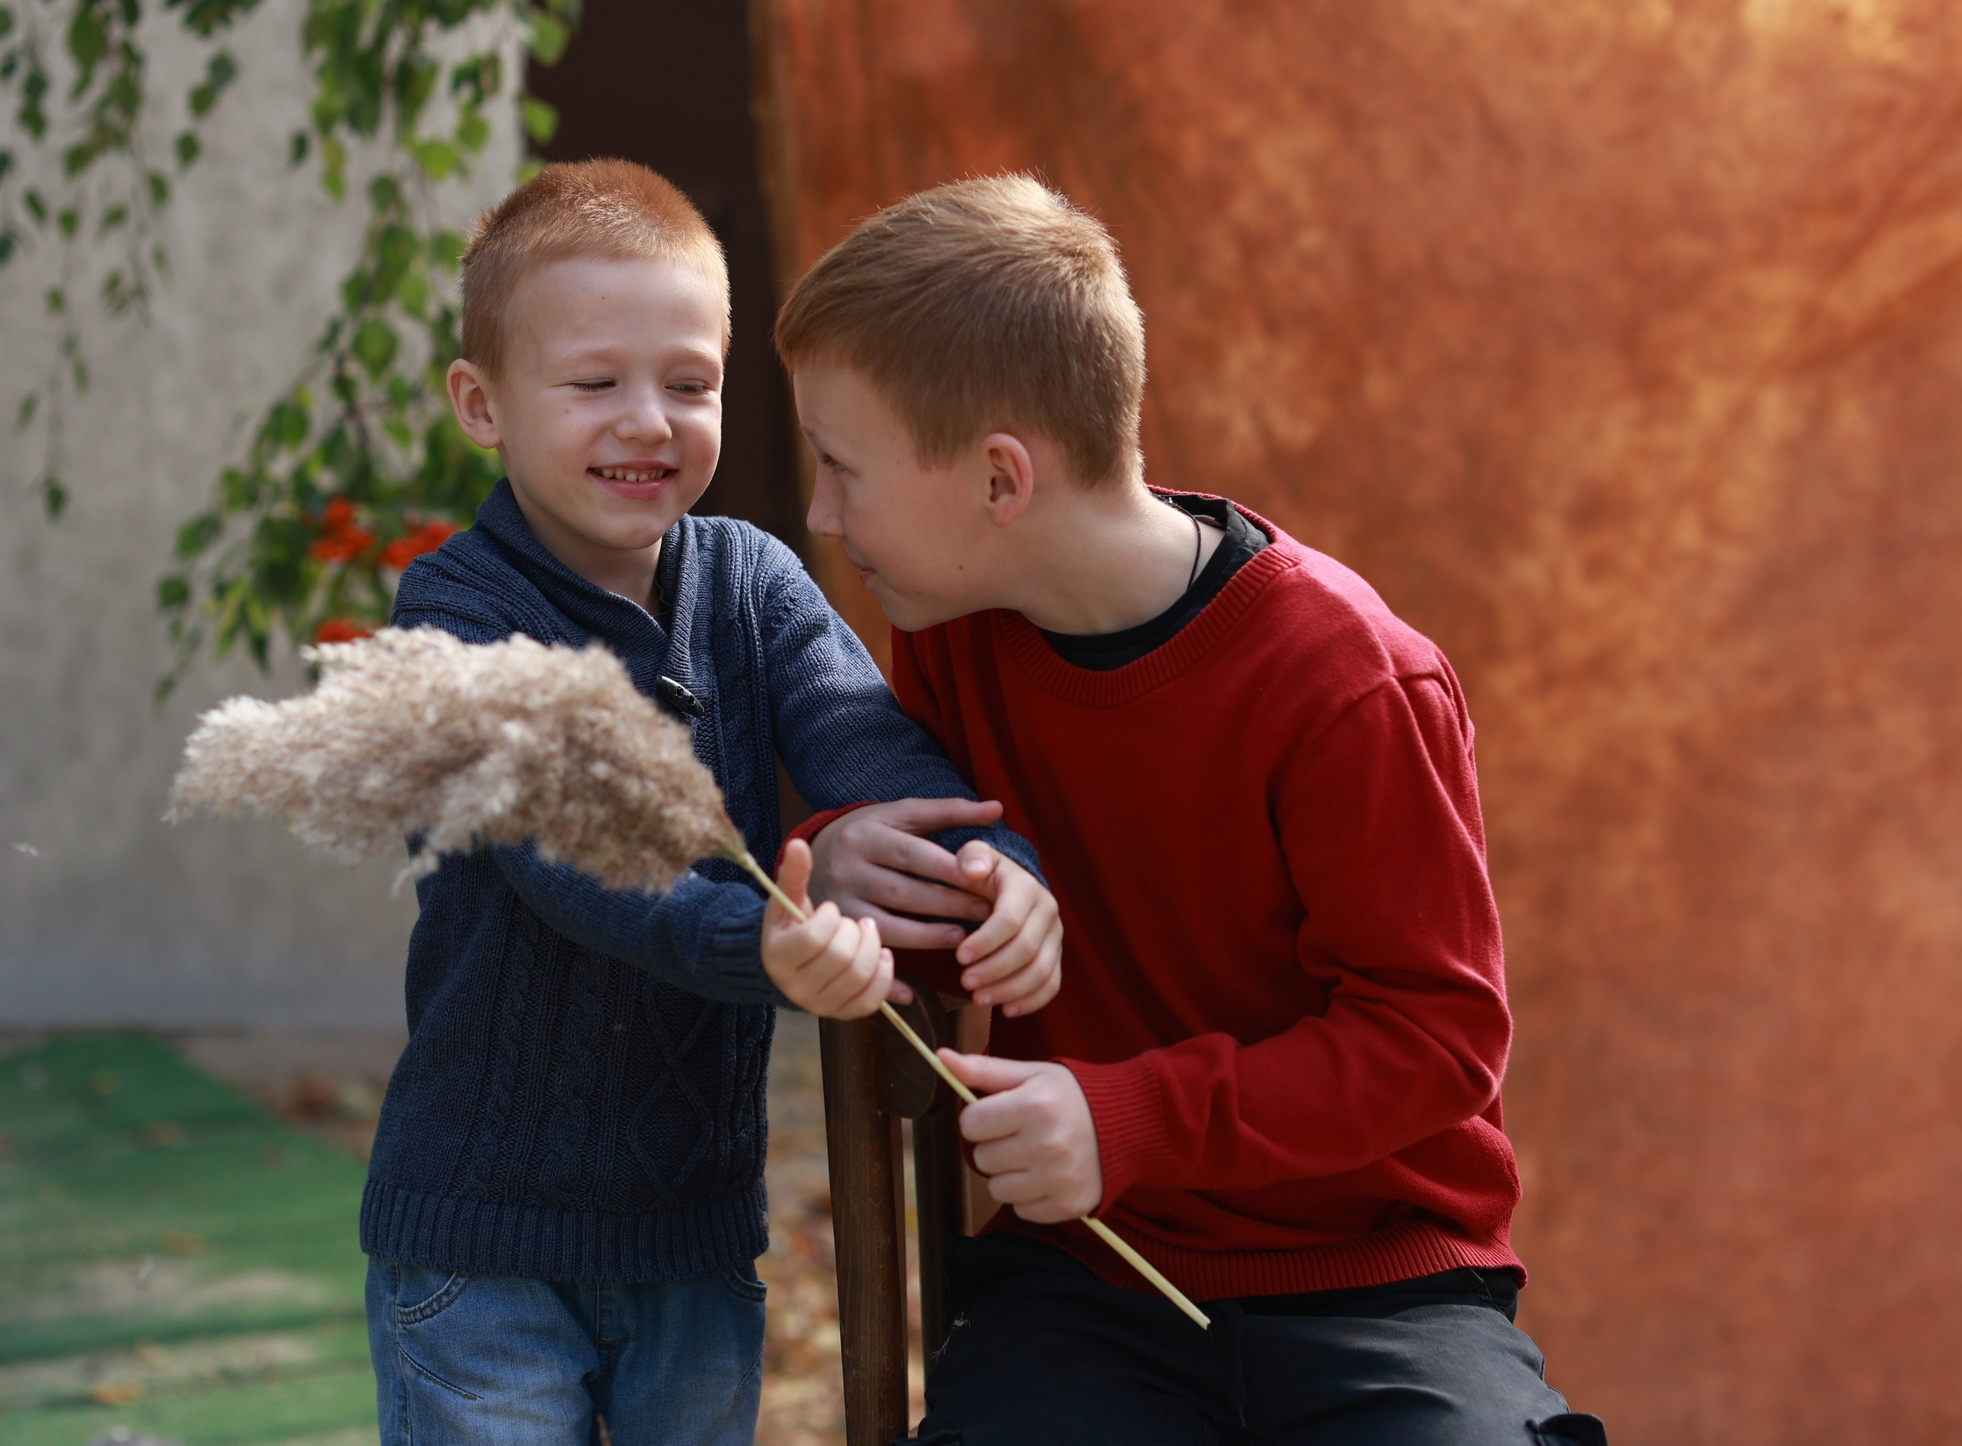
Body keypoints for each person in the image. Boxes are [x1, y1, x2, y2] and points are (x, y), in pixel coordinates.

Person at [781, 175, 1607, 1445]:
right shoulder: (951, 636)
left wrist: (1127, 1120)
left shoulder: (1350, 681)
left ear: (1001, 480)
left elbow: (1435, 1044)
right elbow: (956, 942)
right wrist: (854, 877)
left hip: (1381, 1289)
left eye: (842, 469)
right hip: (1090, 1283)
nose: (820, 517)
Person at [360, 159, 1062, 1446]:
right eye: (592, 384)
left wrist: (996, 869)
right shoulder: (456, 619)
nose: (648, 421)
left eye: (689, 383)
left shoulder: (751, 582)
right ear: (482, 404)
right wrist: (764, 946)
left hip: (690, 1235)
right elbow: (575, 860)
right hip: (484, 1250)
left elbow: (871, 743)